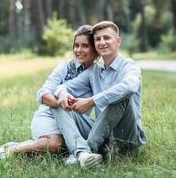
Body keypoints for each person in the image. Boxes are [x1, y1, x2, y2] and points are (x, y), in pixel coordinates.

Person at [0, 25, 99, 160]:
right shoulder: (65, 67)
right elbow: (44, 93)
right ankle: (9, 151)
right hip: (49, 116)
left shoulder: (99, 73)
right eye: (76, 46)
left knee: (74, 146)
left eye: (85, 46)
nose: (79, 50)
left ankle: (32, 145)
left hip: (75, 122)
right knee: (55, 145)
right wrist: (61, 103)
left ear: (95, 49)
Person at [52, 21, 147, 168]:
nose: (102, 42)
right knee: (57, 103)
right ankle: (83, 154)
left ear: (118, 41)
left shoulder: (129, 66)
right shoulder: (94, 71)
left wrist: (91, 101)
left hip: (126, 138)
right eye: (98, 39)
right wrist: (62, 93)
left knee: (121, 95)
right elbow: (62, 87)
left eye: (106, 38)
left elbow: (130, 87)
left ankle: (86, 150)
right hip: (103, 137)